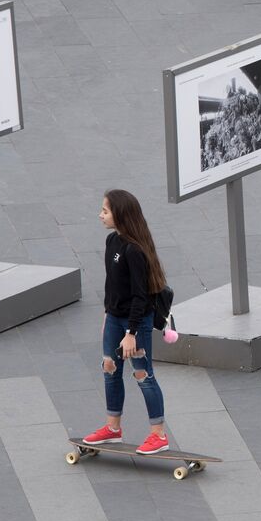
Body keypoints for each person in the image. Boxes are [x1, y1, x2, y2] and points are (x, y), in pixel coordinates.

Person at [82, 189, 170, 454]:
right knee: (109, 368)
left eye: (105, 211)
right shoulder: (112, 241)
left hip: (135, 324)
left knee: (143, 375)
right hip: (114, 319)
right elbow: (112, 285)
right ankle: (112, 429)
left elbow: (140, 296)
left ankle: (159, 435)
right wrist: (108, 315)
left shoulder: (134, 251)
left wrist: (130, 333)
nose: (100, 215)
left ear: (120, 214)